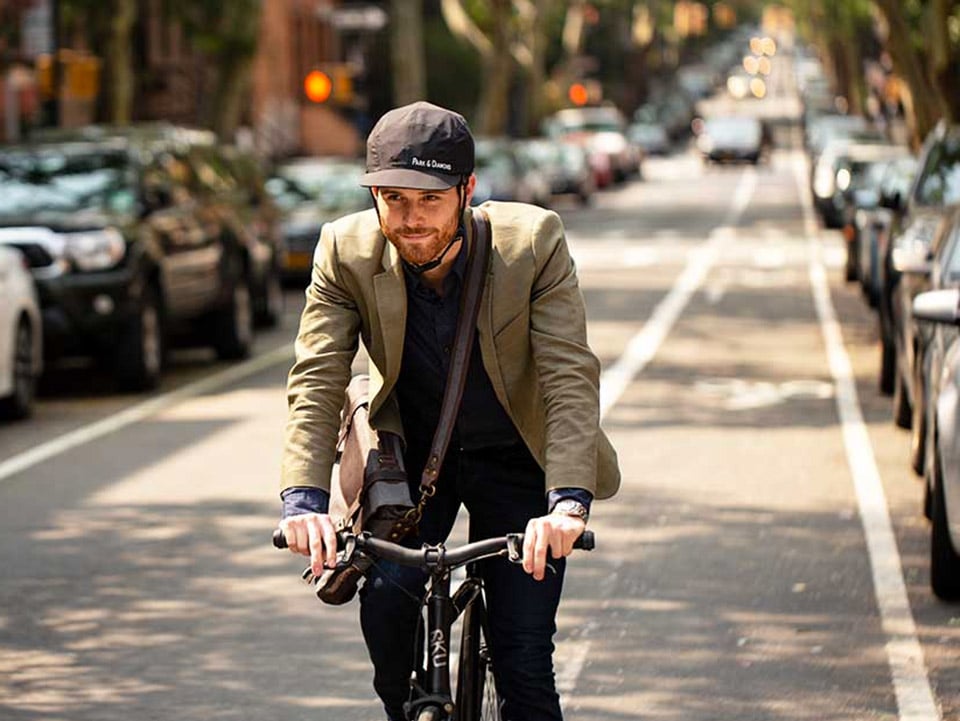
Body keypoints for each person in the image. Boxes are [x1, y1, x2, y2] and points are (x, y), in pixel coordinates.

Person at [278, 100, 620, 721]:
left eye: (429, 200)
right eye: (393, 199)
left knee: (524, 661)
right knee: (386, 613)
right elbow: (318, 374)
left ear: (466, 190)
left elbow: (569, 375)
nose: (410, 221)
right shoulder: (343, 250)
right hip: (412, 463)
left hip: (515, 457)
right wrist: (303, 500)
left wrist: (568, 503)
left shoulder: (534, 244)